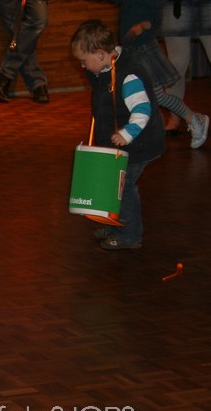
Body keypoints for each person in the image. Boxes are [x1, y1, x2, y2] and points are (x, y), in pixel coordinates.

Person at [67, 0, 210, 149]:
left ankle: (194, 118)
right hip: (132, 52)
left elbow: (156, 19)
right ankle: (146, 128)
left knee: (158, 96)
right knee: (143, 96)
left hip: (145, 52)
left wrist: (144, 25)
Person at [70, 20, 165, 250]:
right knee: (114, 185)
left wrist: (127, 134)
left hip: (138, 144)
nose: (82, 66)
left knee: (124, 188)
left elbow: (142, 109)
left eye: (84, 61)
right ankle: (114, 225)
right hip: (120, 144)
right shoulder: (105, 69)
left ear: (100, 54)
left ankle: (129, 234)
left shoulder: (128, 75)